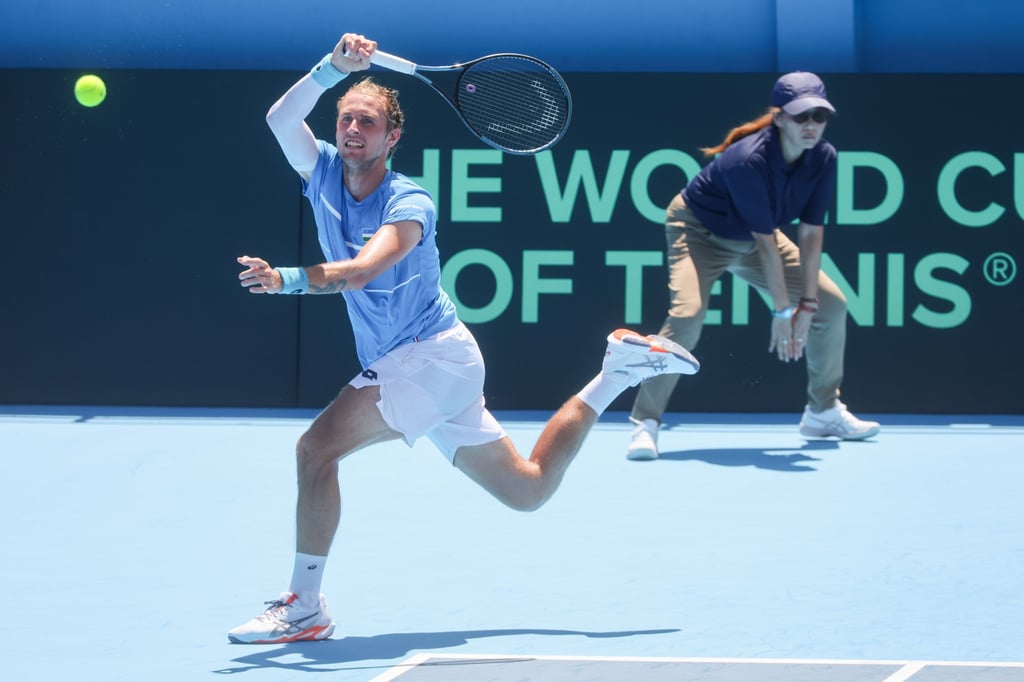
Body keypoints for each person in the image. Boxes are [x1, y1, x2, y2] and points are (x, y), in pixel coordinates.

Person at [227, 33, 700, 644]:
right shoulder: (319, 171)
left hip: (430, 359)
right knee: (527, 490)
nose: (352, 129)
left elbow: (366, 269)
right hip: (429, 363)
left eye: (366, 122)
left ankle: (304, 605)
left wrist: (287, 279)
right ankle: (616, 372)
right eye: (345, 118)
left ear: (391, 138)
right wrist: (330, 69)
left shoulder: (409, 201)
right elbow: (280, 117)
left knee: (315, 451)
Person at [625, 71, 880, 462]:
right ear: (779, 118)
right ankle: (646, 422)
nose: (811, 125)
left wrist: (807, 305)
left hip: (751, 238)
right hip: (698, 232)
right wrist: (782, 310)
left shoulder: (824, 158)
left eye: (819, 116)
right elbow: (765, 245)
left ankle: (822, 411)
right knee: (687, 315)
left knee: (833, 305)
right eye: (801, 116)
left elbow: (811, 234)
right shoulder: (747, 160)